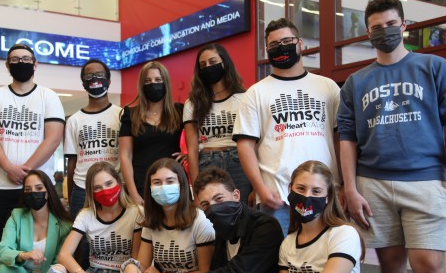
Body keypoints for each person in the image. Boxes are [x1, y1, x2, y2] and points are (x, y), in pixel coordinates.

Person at [337, 0, 446, 273]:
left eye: (391, 24)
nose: (385, 31)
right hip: (373, 184)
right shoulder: (356, 81)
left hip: (425, 181)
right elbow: (348, 137)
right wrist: (350, 188)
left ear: (404, 25)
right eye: (376, 28)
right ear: (368, 33)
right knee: (391, 265)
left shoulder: (434, 67)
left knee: (429, 265)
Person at [230, 160, 374, 273]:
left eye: (316, 191)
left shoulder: (343, 234)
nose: (307, 196)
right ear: (290, 190)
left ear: (327, 198)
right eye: (301, 189)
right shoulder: (289, 243)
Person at [0, 43, 65, 273]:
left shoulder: (48, 96)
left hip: (38, 186)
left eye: (26, 59)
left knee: (49, 246)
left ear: (35, 64)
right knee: (6, 248)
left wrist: (26, 172)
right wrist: (8, 168)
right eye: (15, 60)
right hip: (1, 186)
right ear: (7, 65)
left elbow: (52, 138)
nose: (21, 63)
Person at [233, 18, 340, 235]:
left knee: (325, 260)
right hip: (277, 197)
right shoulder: (256, 93)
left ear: (301, 43)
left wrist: (345, 185)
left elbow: (341, 138)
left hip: (325, 194)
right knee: (277, 262)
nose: (281, 47)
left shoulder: (327, 87)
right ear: (267, 50)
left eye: (287, 41)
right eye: (273, 45)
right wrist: (260, 188)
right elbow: (245, 146)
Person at [165, 167, 284, 273]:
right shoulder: (223, 231)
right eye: (206, 205)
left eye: (219, 199)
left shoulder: (265, 226)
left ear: (236, 195)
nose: (213, 208)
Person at [44, 161, 143, 273]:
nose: (104, 190)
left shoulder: (136, 212)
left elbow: (138, 263)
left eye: (109, 183)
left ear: (119, 183)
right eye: (97, 187)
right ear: (91, 192)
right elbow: (64, 255)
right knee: (56, 272)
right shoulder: (86, 214)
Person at [119, 158, 215, 273]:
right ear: (150, 188)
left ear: (182, 185)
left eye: (170, 181)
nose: (163, 187)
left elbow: (205, 272)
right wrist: (129, 267)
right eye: (157, 182)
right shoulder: (151, 220)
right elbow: (144, 267)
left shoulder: (199, 220)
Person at [183, 43, 252, 204]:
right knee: (211, 217)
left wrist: (256, 186)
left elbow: (254, 143)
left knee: (242, 213)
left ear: (224, 63)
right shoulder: (192, 103)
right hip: (207, 161)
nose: (208, 67)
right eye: (203, 65)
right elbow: (192, 150)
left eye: (213, 62)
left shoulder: (245, 98)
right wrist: (195, 189)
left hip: (239, 161)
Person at [120, 61, 185, 204]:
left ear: (165, 83)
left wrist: (188, 154)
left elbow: (195, 140)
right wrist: (133, 193)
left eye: (158, 80)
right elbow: (125, 155)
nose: (153, 84)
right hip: (141, 184)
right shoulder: (130, 114)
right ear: (142, 86)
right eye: (147, 81)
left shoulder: (180, 111)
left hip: (172, 185)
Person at [65, 59, 122, 217]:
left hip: (114, 187)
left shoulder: (122, 115)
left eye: (99, 75)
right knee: (82, 240)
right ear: (83, 83)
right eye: (89, 76)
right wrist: (71, 198)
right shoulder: (73, 120)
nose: (94, 79)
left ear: (108, 80)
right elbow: (72, 163)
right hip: (82, 190)